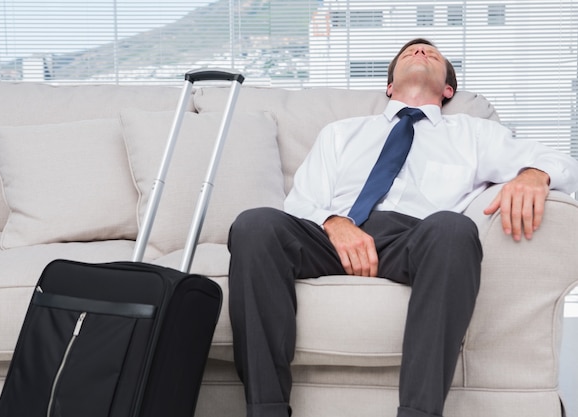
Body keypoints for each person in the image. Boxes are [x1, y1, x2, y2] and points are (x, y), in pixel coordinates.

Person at [227, 38, 578, 417]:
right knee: (255, 225)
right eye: (410, 51)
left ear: (448, 89)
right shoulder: (342, 132)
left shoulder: (473, 133)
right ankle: (266, 411)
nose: (421, 52)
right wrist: (335, 223)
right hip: (334, 237)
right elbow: (301, 202)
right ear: (390, 86)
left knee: (453, 229)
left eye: (433, 53)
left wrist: (534, 174)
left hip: (415, 241)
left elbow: (558, 160)